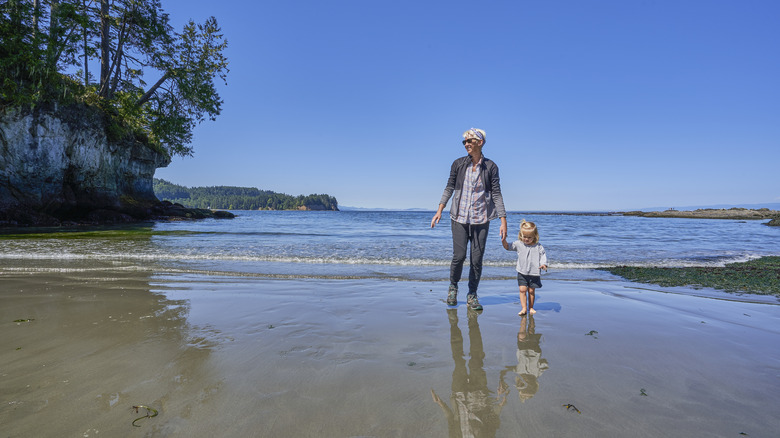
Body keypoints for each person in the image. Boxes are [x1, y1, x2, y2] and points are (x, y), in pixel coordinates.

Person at [431, 128, 508, 311]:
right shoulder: (458, 164)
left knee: (476, 259)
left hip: (481, 219)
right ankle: (453, 288)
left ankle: (472, 295)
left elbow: (496, 194)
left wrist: (503, 219)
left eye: (470, 141)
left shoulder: (491, 167)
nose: (466, 144)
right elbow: (449, 187)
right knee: (459, 256)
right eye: (464, 142)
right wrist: (439, 210)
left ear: (479, 143)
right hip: (458, 217)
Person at [502, 220, 547, 316]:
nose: (526, 239)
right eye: (524, 236)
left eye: (529, 237)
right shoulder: (519, 244)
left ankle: (531, 307)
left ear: (535, 236)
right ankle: (523, 308)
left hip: (534, 272)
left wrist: (544, 264)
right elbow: (507, 247)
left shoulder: (538, 246)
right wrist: (503, 240)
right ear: (521, 235)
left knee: (531, 291)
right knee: (522, 290)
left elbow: (543, 256)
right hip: (522, 272)